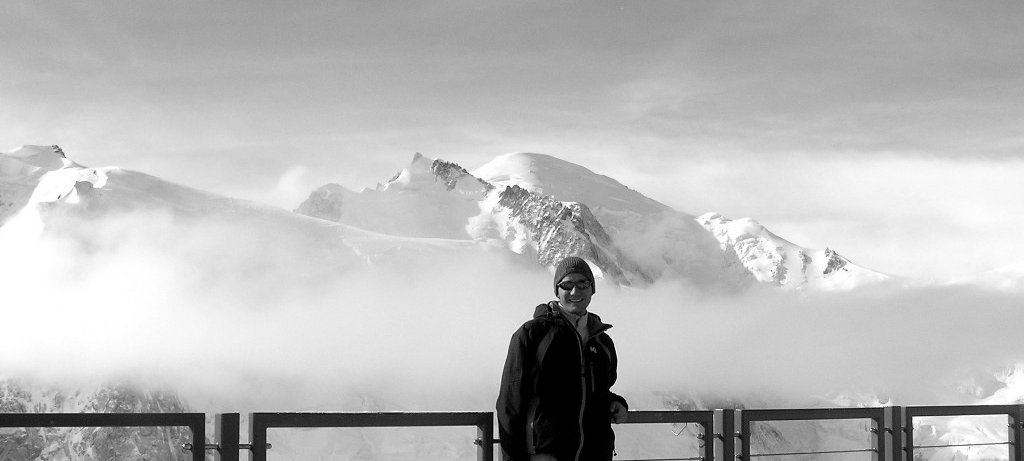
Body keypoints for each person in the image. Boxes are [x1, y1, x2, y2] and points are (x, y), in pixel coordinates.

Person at [496, 256, 628, 461]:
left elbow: (595, 391)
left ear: (592, 289)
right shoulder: (533, 334)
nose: (575, 291)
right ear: (557, 291)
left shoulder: (602, 342)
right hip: (545, 455)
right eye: (567, 285)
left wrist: (615, 402)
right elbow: (510, 403)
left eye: (583, 283)